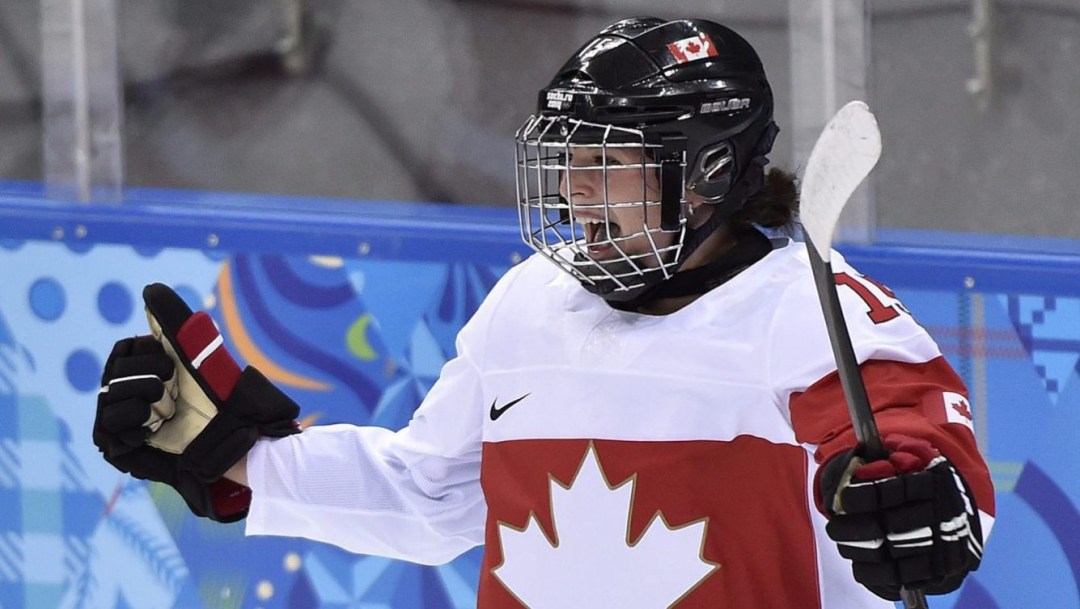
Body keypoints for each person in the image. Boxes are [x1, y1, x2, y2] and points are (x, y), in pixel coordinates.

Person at [94, 16, 993, 608]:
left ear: (708, 172)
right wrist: (241, 460)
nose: (574, 192)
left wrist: (916, 504)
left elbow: (927, 459)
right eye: (567, 160)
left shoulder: (810, 313)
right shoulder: (529, 305)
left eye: (609, 162)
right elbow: (431, 494)